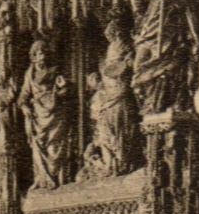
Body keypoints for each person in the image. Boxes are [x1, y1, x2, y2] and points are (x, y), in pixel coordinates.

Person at [80, 21, 140, 179]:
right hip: (109, 95)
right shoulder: (111, 49)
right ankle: (112, 164)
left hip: (119, 93)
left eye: (113, 34)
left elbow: (129, 66)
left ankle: (120, 163)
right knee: (106, 130)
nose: (111, 37)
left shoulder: (126, 48)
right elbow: (108, 72)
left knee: (119, 128)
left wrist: (122, 65)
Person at [18, 38, 74, 189]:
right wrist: (24, 106)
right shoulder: (29, 74)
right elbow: (24, 95)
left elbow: (66, 91)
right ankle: (42, 179)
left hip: (55, 112)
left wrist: (62, 88)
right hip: (37, 115)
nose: (41, 56)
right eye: (38, 53)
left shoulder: (55, 71)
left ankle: (55, 178)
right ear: (33, 56)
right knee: (38, 145)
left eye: (44, 52)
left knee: (54, 146)